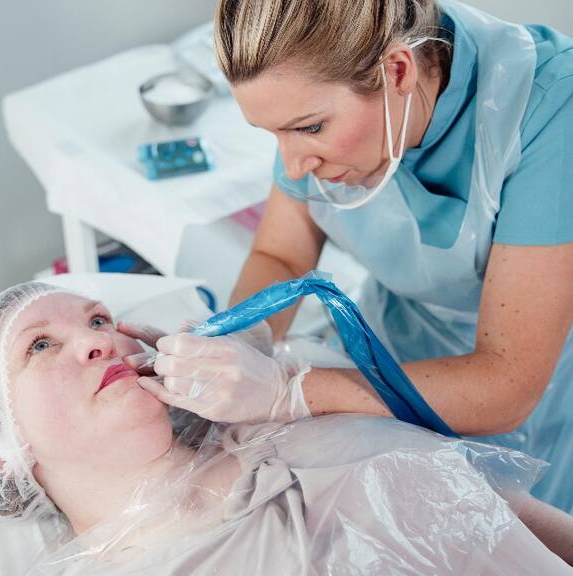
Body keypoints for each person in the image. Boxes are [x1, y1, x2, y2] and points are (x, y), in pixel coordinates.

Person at [125, 0, 573, 514]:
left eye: (309, 128)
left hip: (526, 396)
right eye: (275, 135)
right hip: (385, 347)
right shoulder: (316, 84)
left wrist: (288, 391)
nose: (294, 169)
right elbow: (282, 256)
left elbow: (506, 384)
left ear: (398, 70)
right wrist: (235, 340)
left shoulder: (553, 113)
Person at [0, 282, 573, 573]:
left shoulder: (292, 412)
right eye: (40, 347)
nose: (97, 343)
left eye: (99, 321)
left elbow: (519, 518)